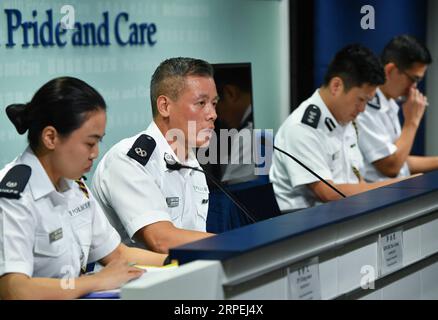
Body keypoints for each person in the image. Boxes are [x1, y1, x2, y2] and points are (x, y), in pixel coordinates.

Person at [0, 77, 167, 300]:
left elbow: (117, 254)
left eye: (99, 142)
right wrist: (94, 281)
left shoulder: (75, 186)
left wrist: (183, 261)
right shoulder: (13, 195)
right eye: (90, 143)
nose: (95, 153)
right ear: (51, 137)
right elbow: (14, 289)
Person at [92, 58, 218, 254]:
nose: (212, 114)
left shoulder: (192, 162)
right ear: (165, 106)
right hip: (135, 282)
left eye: (214, 103)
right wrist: (230, 243)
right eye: (201, 103)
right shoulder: (127, 160)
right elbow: (161, 240)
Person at [270, 44, 404, 211]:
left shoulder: (345, 120)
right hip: (306, 226)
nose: (362, 109)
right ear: (336, 86)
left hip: (344, 215)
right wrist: (396, 187)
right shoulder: (302, 128)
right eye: (361, 100)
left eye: (367, 102)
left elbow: (357, 180)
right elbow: (328, 193)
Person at [356, 35, 438, 182]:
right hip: (376, 199)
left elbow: (402, 161)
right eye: (413, 79)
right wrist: (412, 122)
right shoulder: (365, 106)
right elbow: (391, 166)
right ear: (390, 70)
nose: (414, 87)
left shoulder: (390, 102)